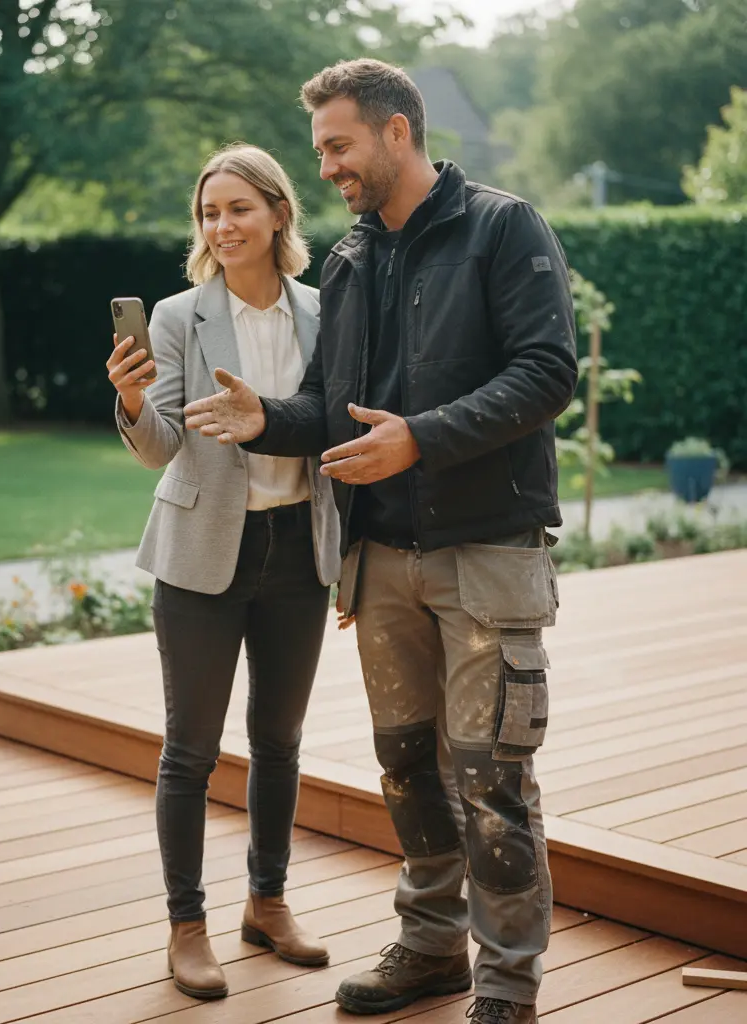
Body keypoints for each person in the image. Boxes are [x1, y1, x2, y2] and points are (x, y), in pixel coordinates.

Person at [183, 60, 578, 1024]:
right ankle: (433, 946)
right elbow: (329, 406)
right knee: (407, 766)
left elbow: (546, 371)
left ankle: (508, 986)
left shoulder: (502, 226)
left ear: (397, 132)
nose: (326, 167)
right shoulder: (353, 258)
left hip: (488, 553)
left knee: (492, 774)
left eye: (338, 145)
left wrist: (421, 438)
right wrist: (264, 418)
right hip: (381, 558)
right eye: (320, 149)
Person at [107, 143, 341, 1002]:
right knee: (190, 751)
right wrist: (134, 404)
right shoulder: (176, 317)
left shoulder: (324, 310)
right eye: (210, 211)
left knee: (279, 742)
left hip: (297, 552)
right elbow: (162, 446)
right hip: (203, 551)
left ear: (279, 213)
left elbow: (330, 427)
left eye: (239, 207)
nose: (222, 224)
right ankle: (186, 925)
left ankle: (267, 903)